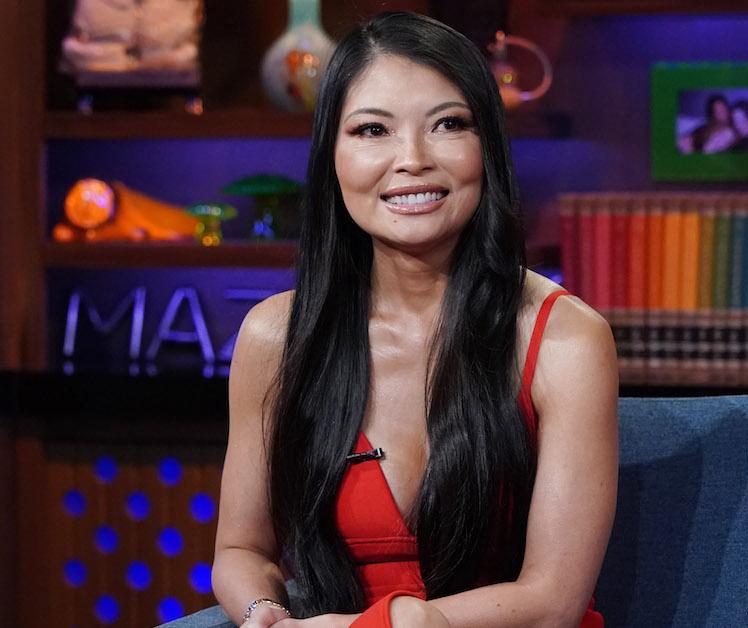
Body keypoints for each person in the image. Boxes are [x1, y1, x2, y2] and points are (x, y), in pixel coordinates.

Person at [212, 12, 618, 628]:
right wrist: (265, 615)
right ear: (332, 159)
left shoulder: (565, 339)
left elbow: (551, 604)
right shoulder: (276, 337)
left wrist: (377, 626)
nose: (412, 160)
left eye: (449, 125)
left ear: (488, 149)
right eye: (373, 130)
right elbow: (241, 550)